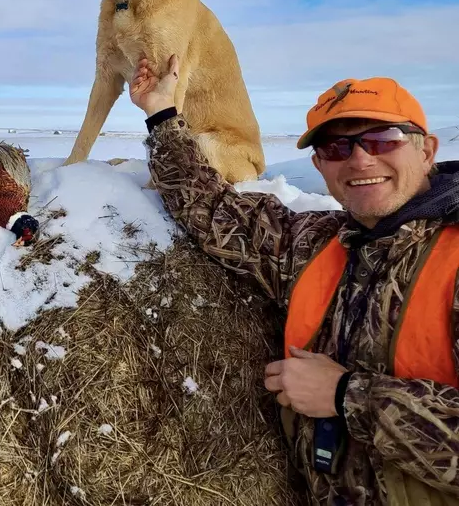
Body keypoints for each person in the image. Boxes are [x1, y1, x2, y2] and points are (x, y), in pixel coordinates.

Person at [128, 55, 459, 506]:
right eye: (336, 148)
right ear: (320, 166)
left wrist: (347, 397)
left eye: (383, 139)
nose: (360, 159)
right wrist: (161, 113)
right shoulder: (314, 241)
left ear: (426, 149)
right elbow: (211, 209)